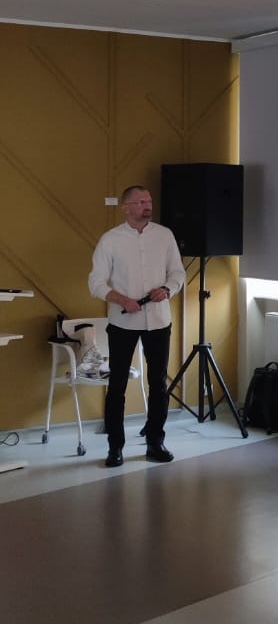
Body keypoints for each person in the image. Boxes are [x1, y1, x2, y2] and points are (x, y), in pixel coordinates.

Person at [88, 185, 185, 466]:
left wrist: (167, 289)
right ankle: (115, 447)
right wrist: (122, 299)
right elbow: (95, 282)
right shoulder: (110, 240)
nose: (147, 205)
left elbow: (177, 272)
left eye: (149, 200)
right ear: (126, 207)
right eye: (140, 201)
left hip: (159, 321)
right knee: (117, 385)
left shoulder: (164, 235)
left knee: (158, 384)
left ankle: (155, 442)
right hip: (123, 322)